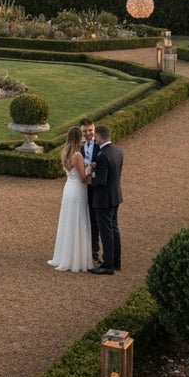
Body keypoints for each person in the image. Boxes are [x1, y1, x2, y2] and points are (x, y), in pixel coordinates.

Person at [47, 126, 95, 273]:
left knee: (68, 221)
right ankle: (76, 259)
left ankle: (65, 255)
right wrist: (91, 168)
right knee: (78, 221)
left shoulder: (66, 152)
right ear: (79, 138)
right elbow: (82, 177)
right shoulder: (77, 155)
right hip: (78, 190)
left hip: (68, 188)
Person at [89, 124, 123, 275]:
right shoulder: (117, 151)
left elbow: (100, 181)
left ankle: (108, 264)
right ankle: (116, 261)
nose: (94, 139)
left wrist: (92, 173)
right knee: (114, 229)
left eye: (95, 136)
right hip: (115, 195)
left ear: (100, 136)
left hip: (103, 199)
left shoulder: (103, 155)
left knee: (106, 231)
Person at [79, 117, 101, 265]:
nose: (88, 133)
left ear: (95, 129)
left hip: (95, 187)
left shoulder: (100, 146)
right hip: (82, 187)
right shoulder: (80, 147)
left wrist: (92, 166)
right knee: (82, 217)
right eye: (85, 131)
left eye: (90, 130)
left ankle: (94, 250)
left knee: (94, 219)